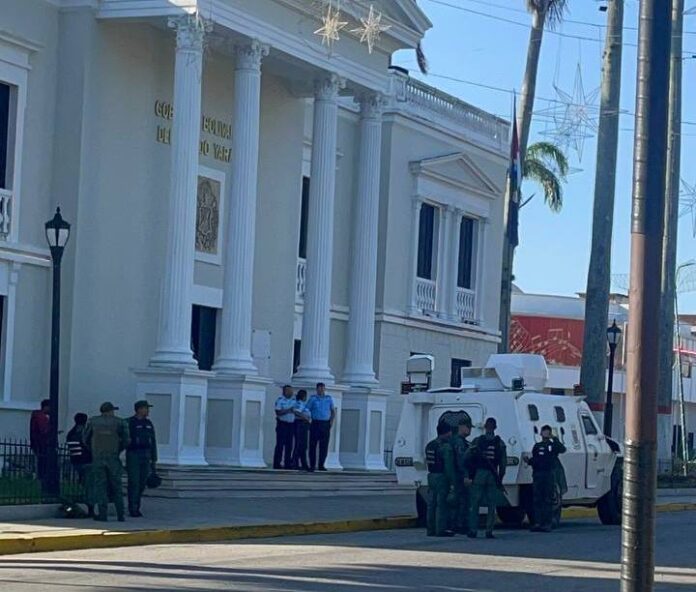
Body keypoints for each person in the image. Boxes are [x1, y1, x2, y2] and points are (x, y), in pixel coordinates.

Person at [84, 402, 130, 522]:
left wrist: (94, 450)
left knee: (100, 486)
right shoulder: (120, 422)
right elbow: (126, 440)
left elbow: (85, 439)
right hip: (113, 458)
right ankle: (121, 514)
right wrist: (118, 449)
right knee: (116, 486)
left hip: (98, 458)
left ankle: (103, 514)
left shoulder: (92, 421)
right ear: (110, 411)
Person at [466, 417, 507, 539]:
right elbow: (503, 465)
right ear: (495, 427)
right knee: (491, 504)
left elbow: (467, 458)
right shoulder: (500, 443)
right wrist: (499, 478)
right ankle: (489, 531)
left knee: (475, 503)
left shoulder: (477, 441)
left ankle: (473, 530)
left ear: (485, 427)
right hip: (492, 475)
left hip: (479, 474)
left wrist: (470, 474)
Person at [524, 424, 566, 532]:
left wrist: (554, 438)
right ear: (541, 433)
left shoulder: (553, 446)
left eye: (548, 431)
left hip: (549, 475)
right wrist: (528, 461)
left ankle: (547, 523)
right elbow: (535, 460)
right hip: (538, 475)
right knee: (537, 499)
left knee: (547, 499)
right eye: (544, 431)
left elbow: (562, 449)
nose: (545, 433)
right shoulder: (537, 446)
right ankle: (538, 522)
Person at [126, 400, 158, 518]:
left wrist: (154, 459)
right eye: (146, 408)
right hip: (134, 454)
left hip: (146, 455)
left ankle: (137, 505)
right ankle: (133, 508)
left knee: (142, 483)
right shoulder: (130, 422)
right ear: (139, 409)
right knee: (134, 482)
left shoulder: (148, 423)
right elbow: (124, 439)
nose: (148, 411)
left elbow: (153, 441)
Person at [425, 422, 457, 537]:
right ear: (447, 432)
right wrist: (452, 482)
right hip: (441, 477)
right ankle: (440, 529)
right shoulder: (445, 447)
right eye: (450, 431)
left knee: (431, 504)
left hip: (431, 476)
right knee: (441, 504)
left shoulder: (430, 445)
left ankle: (430, 529)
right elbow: (448, 467)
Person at [66, 413, 94, 517]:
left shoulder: (70, 433)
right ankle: (90, 508)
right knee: (89, 486)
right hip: (86, 462)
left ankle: (86, 505)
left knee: (82, 485)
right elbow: (89, 446)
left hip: (75, 462)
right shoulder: (85, 433)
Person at [450, 417, 473, 534]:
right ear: (461, 427)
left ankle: (459, 523)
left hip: (457, 476)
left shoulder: (460, 441)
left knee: (461, 501)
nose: (470, 430)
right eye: (468, 427)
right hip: (459, 476)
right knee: (462, 501)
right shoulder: (459, 442)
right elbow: (461, 460)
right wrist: (465, 476)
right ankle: (459, 524)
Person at [307, 382, 335, 472]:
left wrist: (331, 422)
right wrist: (309, 420)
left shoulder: (328, 399)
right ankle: (312, 465)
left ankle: (321, 465)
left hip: (325, 424)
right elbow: (307, 410)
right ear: (317, 389)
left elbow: (332, 411)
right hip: (315, 423)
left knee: (324, 446)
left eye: (323, 388)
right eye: (320, 388)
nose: (321, 390)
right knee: (313, 445)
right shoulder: (313, 399)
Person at [273, 385, 296, 470]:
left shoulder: (294, 400)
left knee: (289, 445)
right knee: (280, 444)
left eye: (291, 391)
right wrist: (288, 410)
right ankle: (277, 463)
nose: (291, 392)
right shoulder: (280, 400)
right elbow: (278, 412)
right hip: (282, 424)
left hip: (291, 424)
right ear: (285, 391)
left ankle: (287, 463)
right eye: (289, 391)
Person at [30, 399, 51, 487]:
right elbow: (44, 431)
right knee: (43, 462)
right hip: (42, 444)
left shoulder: (37, 416)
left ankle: (41, 478)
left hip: (37, 443)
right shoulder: (41, 417)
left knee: (41, 461)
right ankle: (42, 479)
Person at [292, 389, 311, 471]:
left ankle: (303, 463)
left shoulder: (303, 403)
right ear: (303, 396)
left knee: (304, 445)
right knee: (299, 444)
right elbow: (296, 412)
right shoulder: (299, 403)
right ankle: (294, 462)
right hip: (300, 424)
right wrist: (305, 417)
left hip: (304, 425)